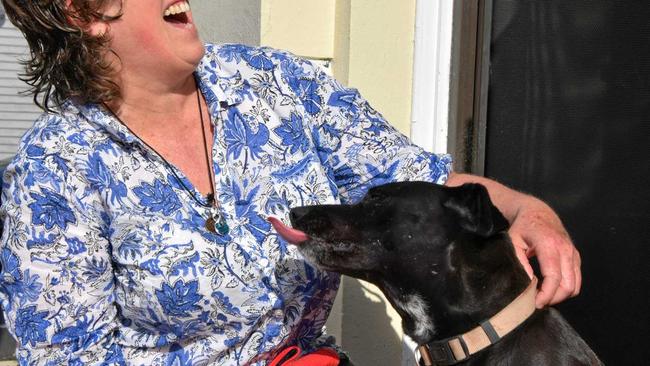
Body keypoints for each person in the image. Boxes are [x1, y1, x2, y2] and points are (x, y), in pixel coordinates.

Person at [0, 1, 581, 365]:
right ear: (83, 13)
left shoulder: (275, 83)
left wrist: (528, 211)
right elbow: (66, 356)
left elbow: (425, 185)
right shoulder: (54, 169)